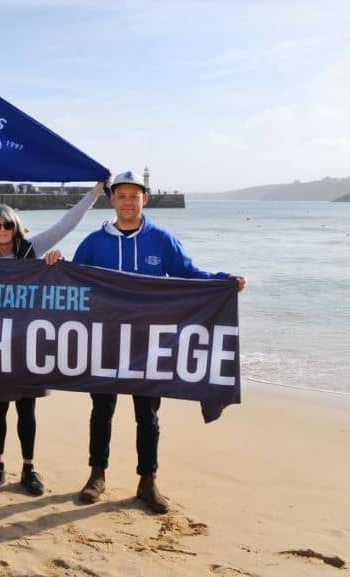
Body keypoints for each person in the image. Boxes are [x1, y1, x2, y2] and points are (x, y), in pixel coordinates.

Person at [72, 170, 246, 513]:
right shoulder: (94, 242)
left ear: (144, 200)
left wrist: (223, 282)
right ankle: (97, 475)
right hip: (105, 340)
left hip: (149, 344)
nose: (127, 202)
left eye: (134, 196)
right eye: (121, 196)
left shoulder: (162, 239)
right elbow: (72, 281)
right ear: (113, 200)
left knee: (147, 416)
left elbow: (189, 274)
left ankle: (147, 480)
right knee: (101, 411)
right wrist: (51, 265)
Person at [0, 183, 105, 496]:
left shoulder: (32, 250)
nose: (2, 229)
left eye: (7, 224)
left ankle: (29, 469)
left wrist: (95, 194)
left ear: (15, 227)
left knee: (26, 409)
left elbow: (66, 224)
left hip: (28, 342)